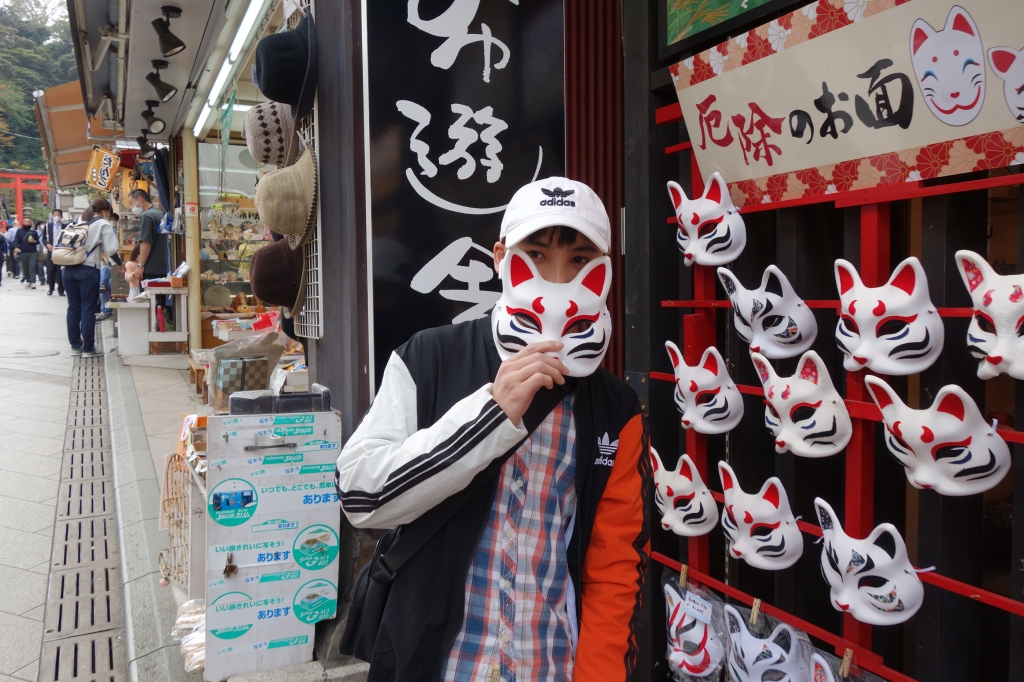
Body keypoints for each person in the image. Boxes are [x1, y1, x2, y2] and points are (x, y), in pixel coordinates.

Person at [335, 178, 649, 681]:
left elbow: (614, 567)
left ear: (603, 271)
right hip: (431, 662)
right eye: (539, 255)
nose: (556, 278)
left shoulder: (616, 409)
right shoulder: (429, 357)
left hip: (549, 664)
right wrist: (490, 417)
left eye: (578, 260)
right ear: (502, 258)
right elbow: (359, 495)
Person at [63, 198, 122, 358]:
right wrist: (120, 264)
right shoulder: (103, 224)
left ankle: (75, 346)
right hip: (88, 270)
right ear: (104, 211)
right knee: (87, 309)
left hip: (67, 270)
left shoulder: (75, 223)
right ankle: (88, 348)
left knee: (73, 308)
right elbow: (111, 249)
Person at [127, 189, 167, 281]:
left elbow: (146, 242)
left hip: (151, 268)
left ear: (140, 199)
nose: (131, 207)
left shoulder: (147, 216)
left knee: (148, 295)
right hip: (163, 266)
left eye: (131, 203)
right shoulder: (159, 214)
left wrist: (140, 265)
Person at [42, 208, 66, 296]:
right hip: (51, 252)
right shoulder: (48, 226)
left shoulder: (65, 226)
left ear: (62, 216)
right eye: (55, 215)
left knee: (60, 272)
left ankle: (61, 290)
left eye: (58, 215)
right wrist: (47, 244)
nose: (57, 217)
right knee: (50, 271)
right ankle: (51, 289)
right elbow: (44, 238)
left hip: (62, 252)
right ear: (52, 216)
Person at [13, 216, 40, 288]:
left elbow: (38, 241)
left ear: (30, 222)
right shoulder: (19, 231)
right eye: (25, 221)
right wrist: (15, 248)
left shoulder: (33, 231)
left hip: (33, 252)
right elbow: (16, 240)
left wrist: (34, 241)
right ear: (23, 222)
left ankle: (33, 282)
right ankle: (28, 281)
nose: (26, 223)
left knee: (32, 267)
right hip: (23, 251)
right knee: (25, 267)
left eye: (28, 221)